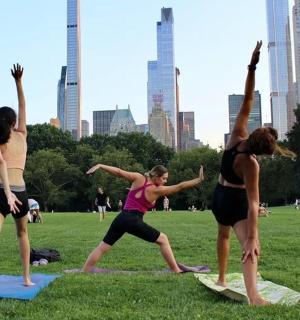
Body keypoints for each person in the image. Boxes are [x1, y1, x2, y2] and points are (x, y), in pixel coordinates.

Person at [211, 42, 295, 305]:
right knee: (250, 248)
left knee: (222, 235)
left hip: (218, 197)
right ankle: (254, 295)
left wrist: (252, 65)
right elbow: (253, 203)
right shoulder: (251, 165)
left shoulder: (236, 135)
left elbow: (248, 98)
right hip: (235, 202)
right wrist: (252, 236)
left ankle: (223, 278)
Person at [83, 164, 204, 273]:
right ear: (156, 176)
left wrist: (100, 165)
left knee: (103, 247)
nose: (165, 181)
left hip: (122, 217)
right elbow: (180, 186)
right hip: (133, 220)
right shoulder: (157, 190)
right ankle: (175, 270)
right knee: (163, 239)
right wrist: (198, 180)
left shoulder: (138, 178)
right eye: (164, 178)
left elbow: (119, 172)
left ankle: (85, 270)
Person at [0, 64, 34, 286]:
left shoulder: (5, 138)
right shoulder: (21, 135)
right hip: (17, 191)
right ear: (14, 122)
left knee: (22, 233)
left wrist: (7, 192)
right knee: (22, 234)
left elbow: (2, 163)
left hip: (8, 191)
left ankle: (27, 277)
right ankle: (26, 278)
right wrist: (18, 83)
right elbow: (23, 106)